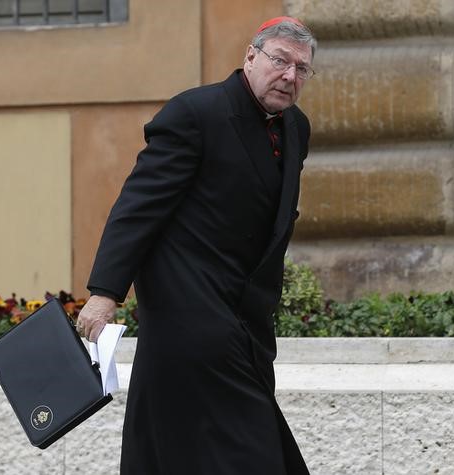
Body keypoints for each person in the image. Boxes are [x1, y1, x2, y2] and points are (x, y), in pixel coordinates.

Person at [75, 16, 316, 475]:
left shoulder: (296, 128)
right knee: (253, 452)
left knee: (181, 449)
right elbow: (139, 206)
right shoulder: (194, 113)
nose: (289, 76)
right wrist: (105, 293)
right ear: (251, 56)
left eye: (301, 69)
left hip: (247, 322)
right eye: (280, 61)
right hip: (188, 312)